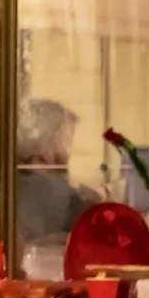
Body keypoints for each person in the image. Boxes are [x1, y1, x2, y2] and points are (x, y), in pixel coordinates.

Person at [14, 96, 98, 249]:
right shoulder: (35, 187)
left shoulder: (23, 180)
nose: (69, 150)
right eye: (65, 140)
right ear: (44, 140)